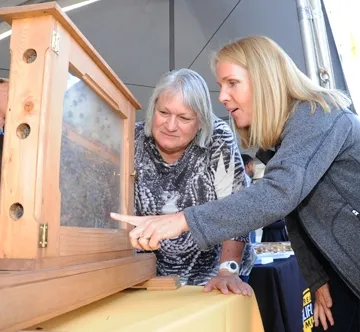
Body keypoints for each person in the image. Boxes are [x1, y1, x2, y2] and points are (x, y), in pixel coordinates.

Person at [111, 36, 360, 332]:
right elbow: (300, 217)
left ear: (264, 79)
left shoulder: (317, 116)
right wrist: (319, 279)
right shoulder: (289, 134)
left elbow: (278, 194)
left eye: (232, 83)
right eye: (164, 113)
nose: (222, 96)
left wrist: (181, 220)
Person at [131, 68, 255, 294]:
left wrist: (227, 270)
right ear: (152, 109)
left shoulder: (217, 137)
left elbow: (237, 209)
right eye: (163, 113)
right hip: (149, 277)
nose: (170, 126)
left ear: (200, 121)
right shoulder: (133, 139)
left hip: (215, 273)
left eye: (184, 118)